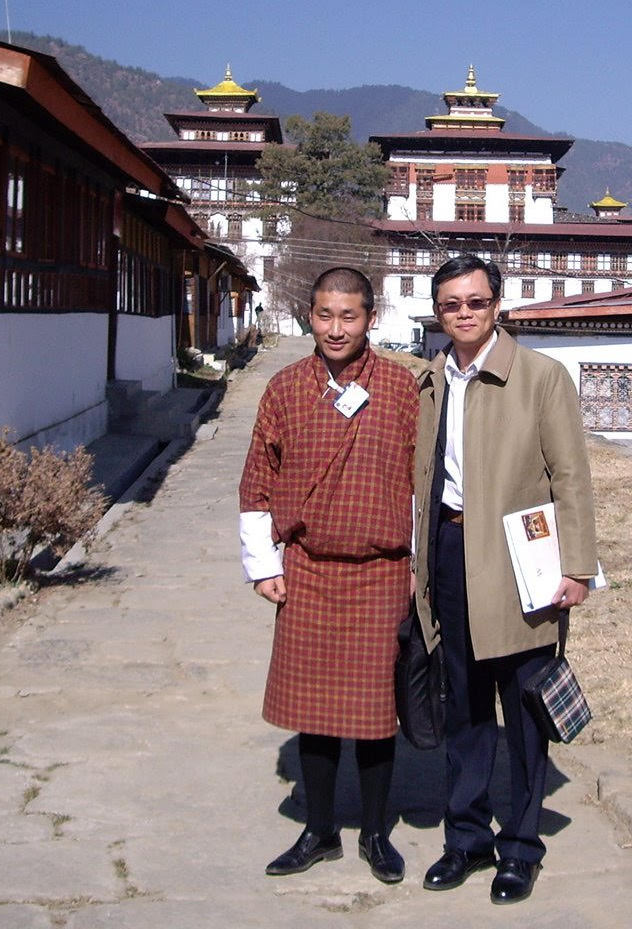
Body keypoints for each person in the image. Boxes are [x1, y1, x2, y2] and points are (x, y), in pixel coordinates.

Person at [411, 254, 599, 905]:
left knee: (524, 713)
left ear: (498, 306)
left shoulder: (541, 377)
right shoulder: (430, 381)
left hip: (523, 563)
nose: (464, 314)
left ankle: (519, 848)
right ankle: (465, 839)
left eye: (475, 302)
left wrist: (577, 566)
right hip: (450, 550)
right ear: (438, 313)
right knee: (461, 707)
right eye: (451, 305)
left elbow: (571, 475)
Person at [238, 267, 417, 884]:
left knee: (372, 713)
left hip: (381, 570)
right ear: (307, 316)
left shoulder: (399, 387)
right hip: (307, 569)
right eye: (324, 315)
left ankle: (374, 832)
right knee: (312, 713)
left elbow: (420, 480)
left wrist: (417, 561)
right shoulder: (285, 388)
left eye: (349, 316)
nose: (336, 328)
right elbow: (258, 479)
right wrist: (263, 566)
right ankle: (318, 830)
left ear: (371, 318)